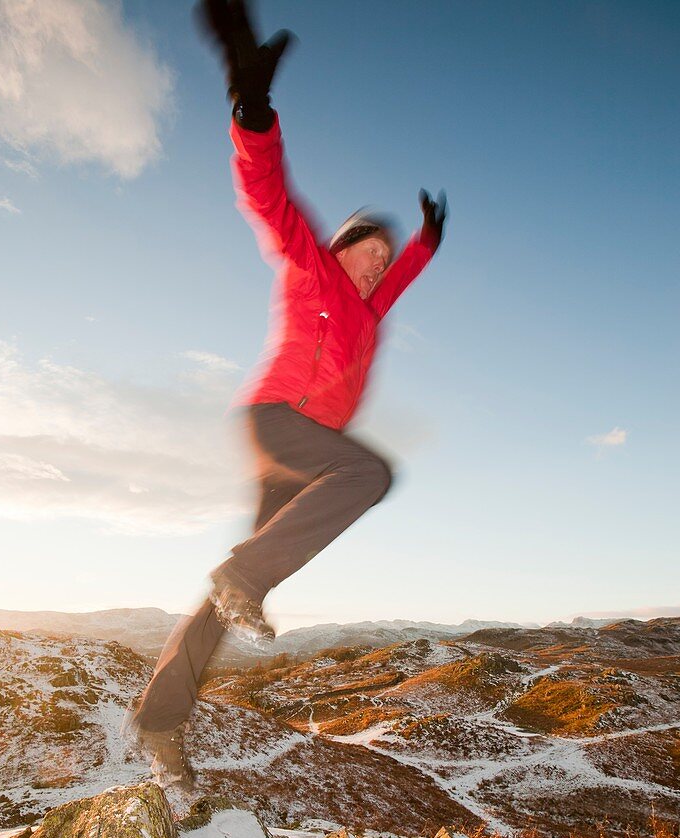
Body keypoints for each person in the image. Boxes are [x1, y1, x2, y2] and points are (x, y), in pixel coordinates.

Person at [130, 0, 447, 787]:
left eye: (381, 262)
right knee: (368, 475)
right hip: (276, 422)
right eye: (364, 255)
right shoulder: (308, 264)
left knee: (230, 594)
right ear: (337, 249)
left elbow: (397, 279)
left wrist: (425, 245)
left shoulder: (368, 312)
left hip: (298, 465)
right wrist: (252, 110)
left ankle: (160, 721)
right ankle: (243, 580)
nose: (373, 269)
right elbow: (266, 193)